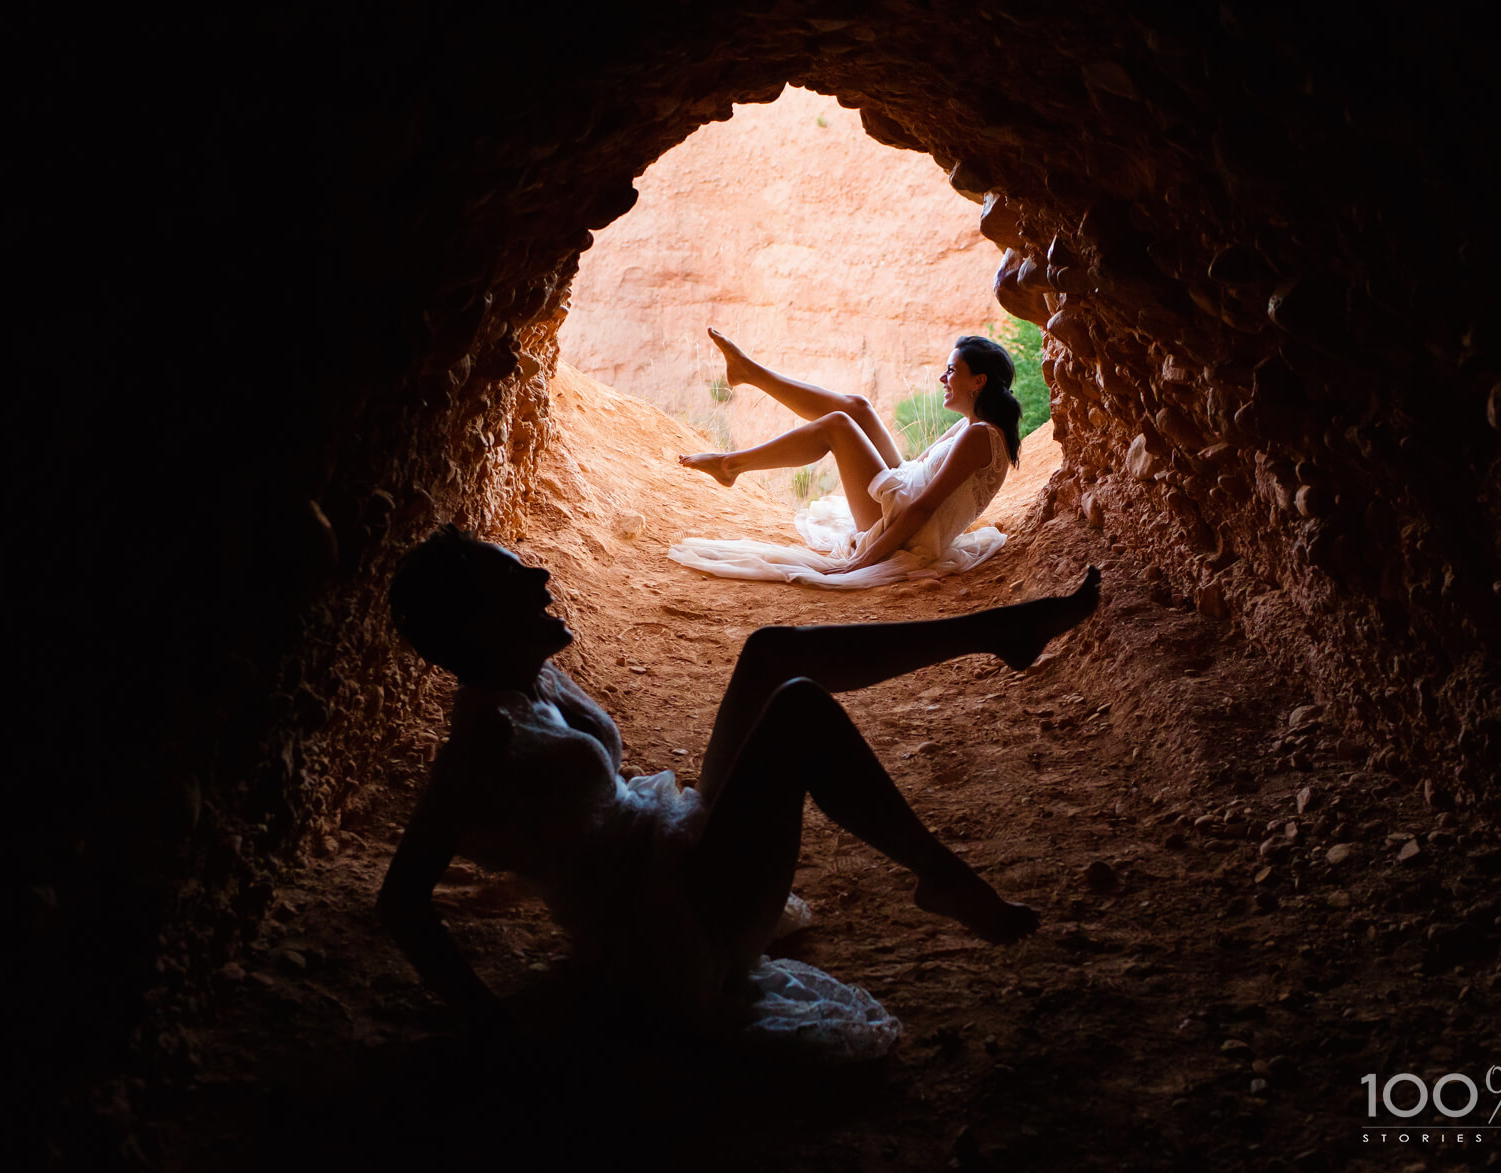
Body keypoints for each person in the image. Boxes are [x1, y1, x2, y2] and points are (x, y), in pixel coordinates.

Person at [378, 525, 1100, 1033]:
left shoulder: (531, 677)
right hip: (668, 938)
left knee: (770, 652)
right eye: (514, 579)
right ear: (478, 627)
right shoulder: (483, 738)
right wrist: (489, 1025)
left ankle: (1001, 630)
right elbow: (402, 902)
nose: (539, 578)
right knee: (797, 712)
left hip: (670, 857)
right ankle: (942, 874)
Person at [669, 330, 1024, 588]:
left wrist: (862, 560)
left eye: (952, 370)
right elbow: (919, 475)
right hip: (903, 492)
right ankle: (751, 373)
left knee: (838, 426)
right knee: (858, 408)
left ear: (978, 381)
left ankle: (731, 465)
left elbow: (924, 508)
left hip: (899, 526)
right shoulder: (973, 426)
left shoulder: (980, 436)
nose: (943, 377)